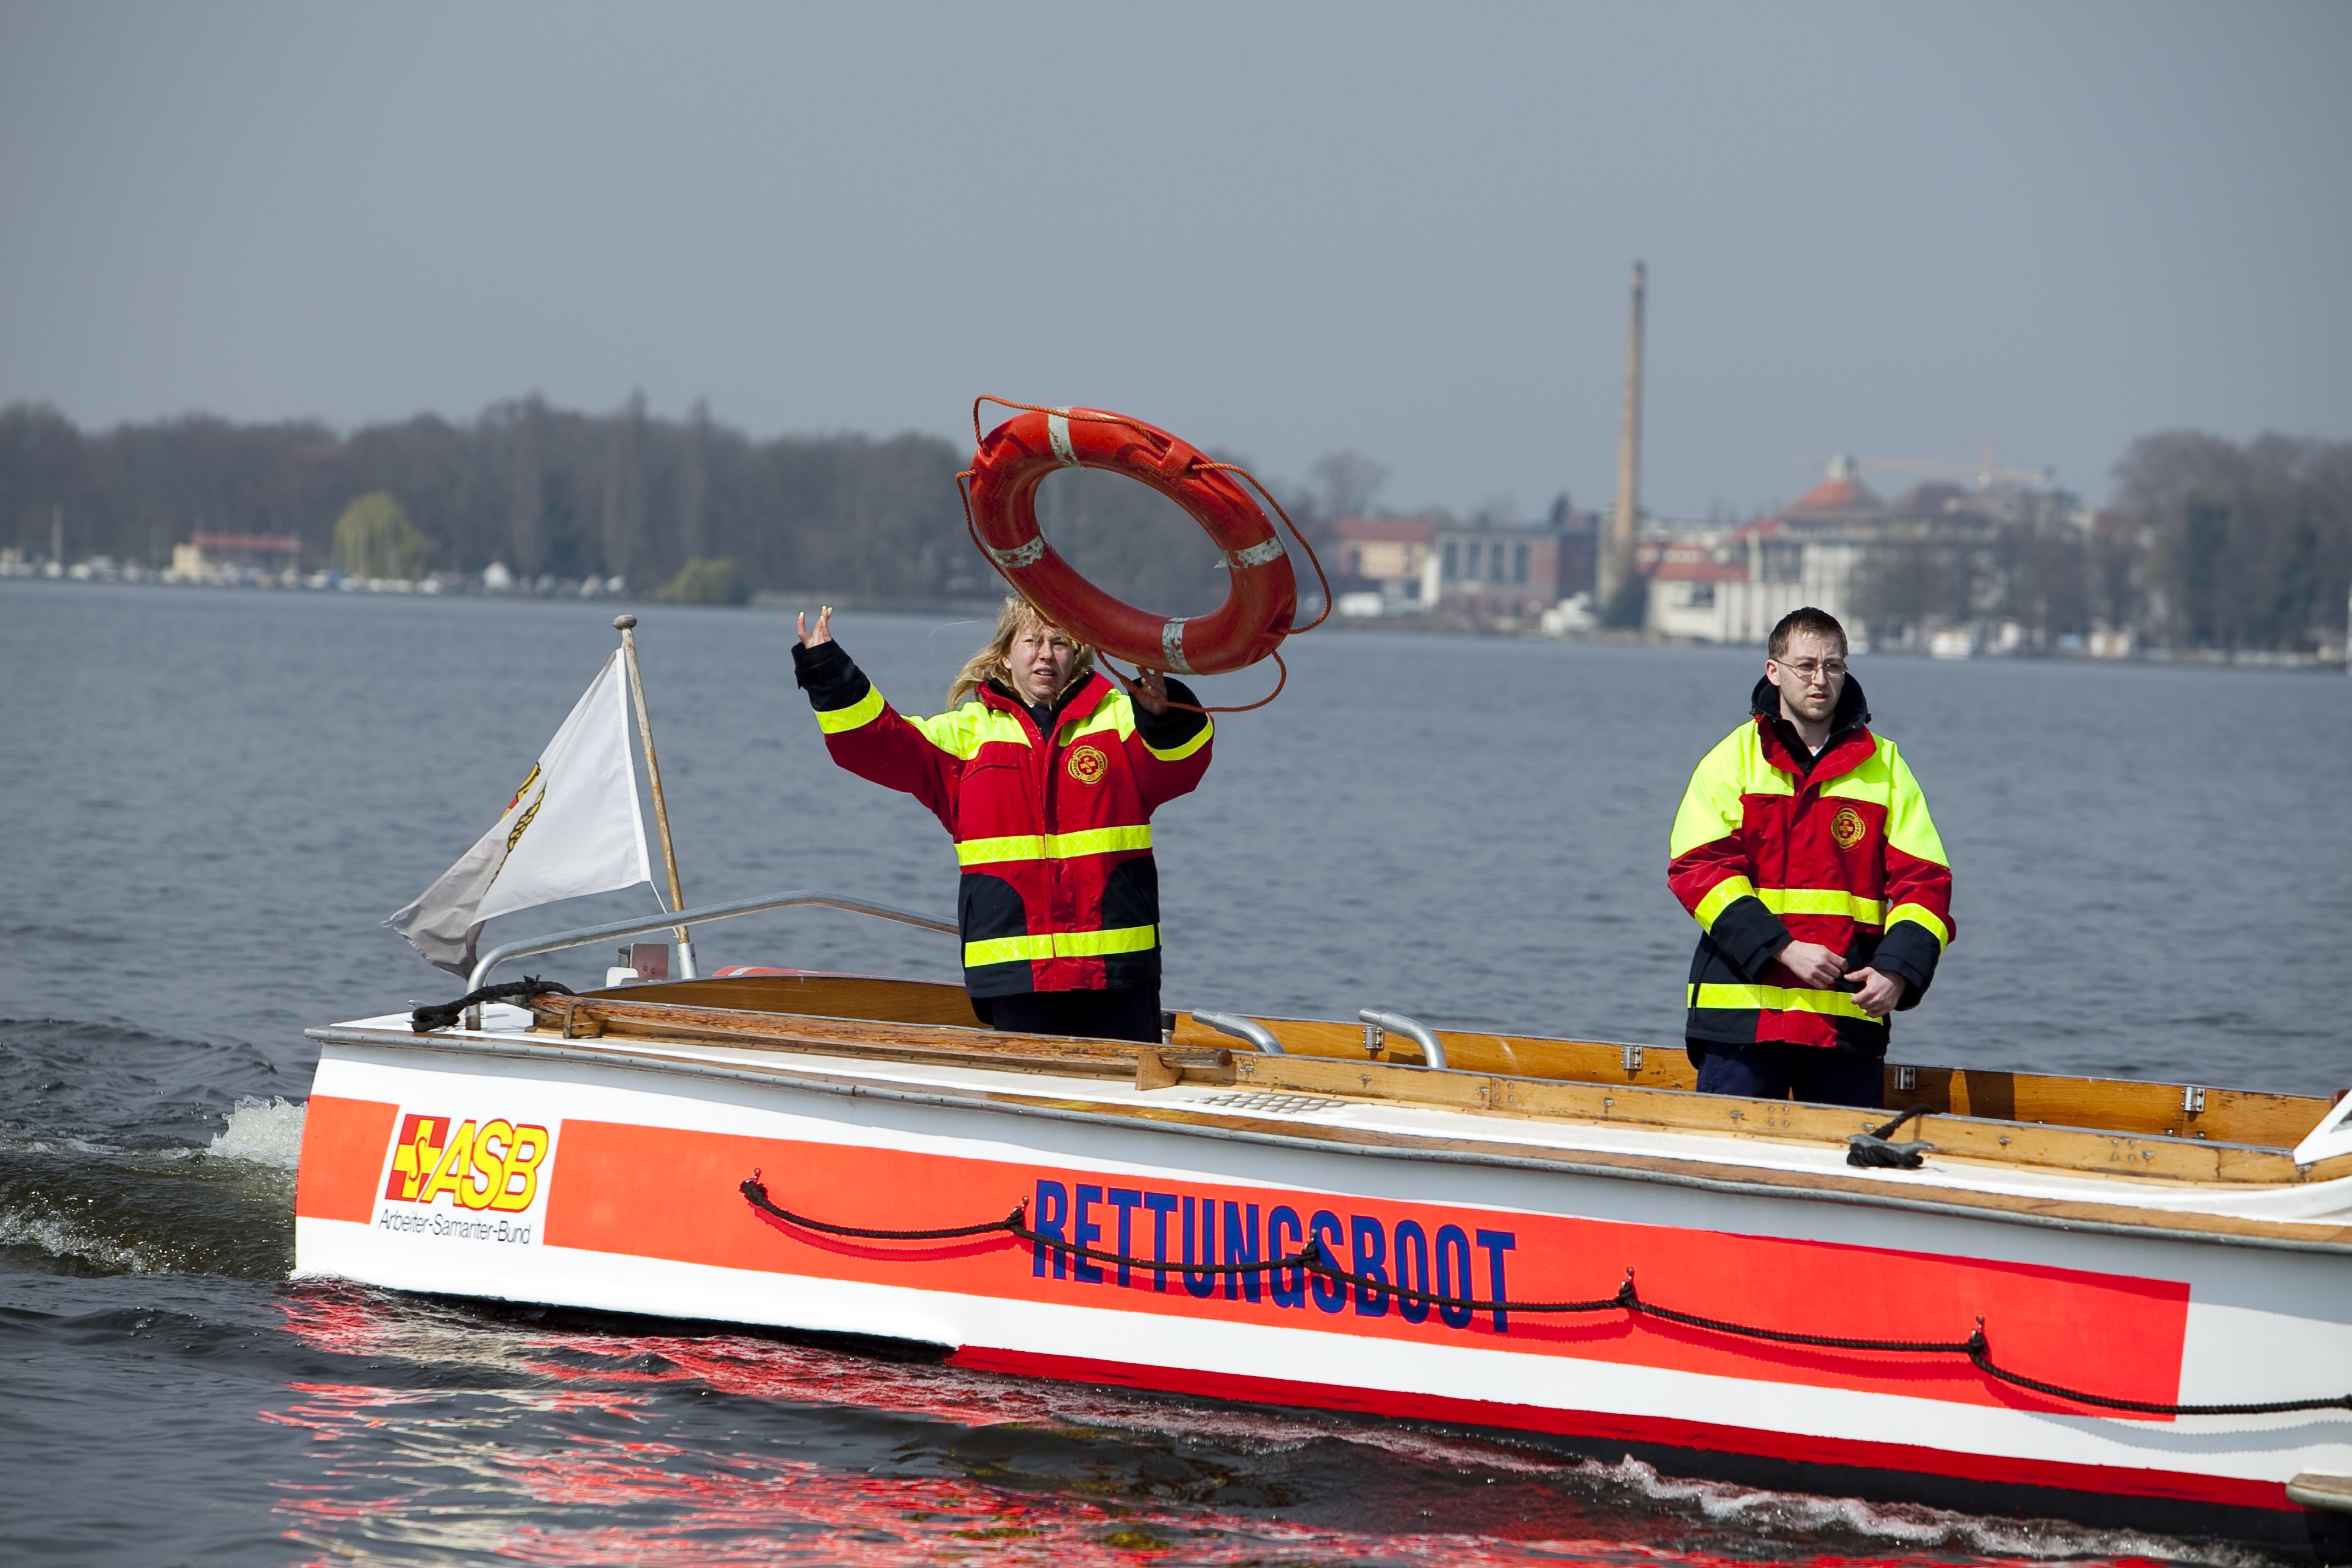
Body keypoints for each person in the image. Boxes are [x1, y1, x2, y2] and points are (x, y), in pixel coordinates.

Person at [790, 596, 1213, 1043]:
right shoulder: (966, 735)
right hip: (1016, 974)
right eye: (1031, 641)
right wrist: (827, 671)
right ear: (1006, 656)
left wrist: (1164, 713)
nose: (1045, 653)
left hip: (1119, 971)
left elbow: (1183, 768)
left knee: (1123, 1102)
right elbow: (876, 746)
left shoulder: (1124, 719)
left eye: (1060, 642)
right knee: (1029, 1102)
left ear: (1079, 656)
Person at [1665, 606, 1954, 1108]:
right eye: (1805, 666)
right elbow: (1698, 870)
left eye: (1833, 665)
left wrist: (1898, 971)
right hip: (1744, 1020)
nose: (1819, 680)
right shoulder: (1731, 759)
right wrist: (1782, 948)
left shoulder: (1885, 766)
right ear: (1773, 671)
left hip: (1844, 1021)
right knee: (1727, 1171)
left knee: (1843, 1174)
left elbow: (1925, 884)